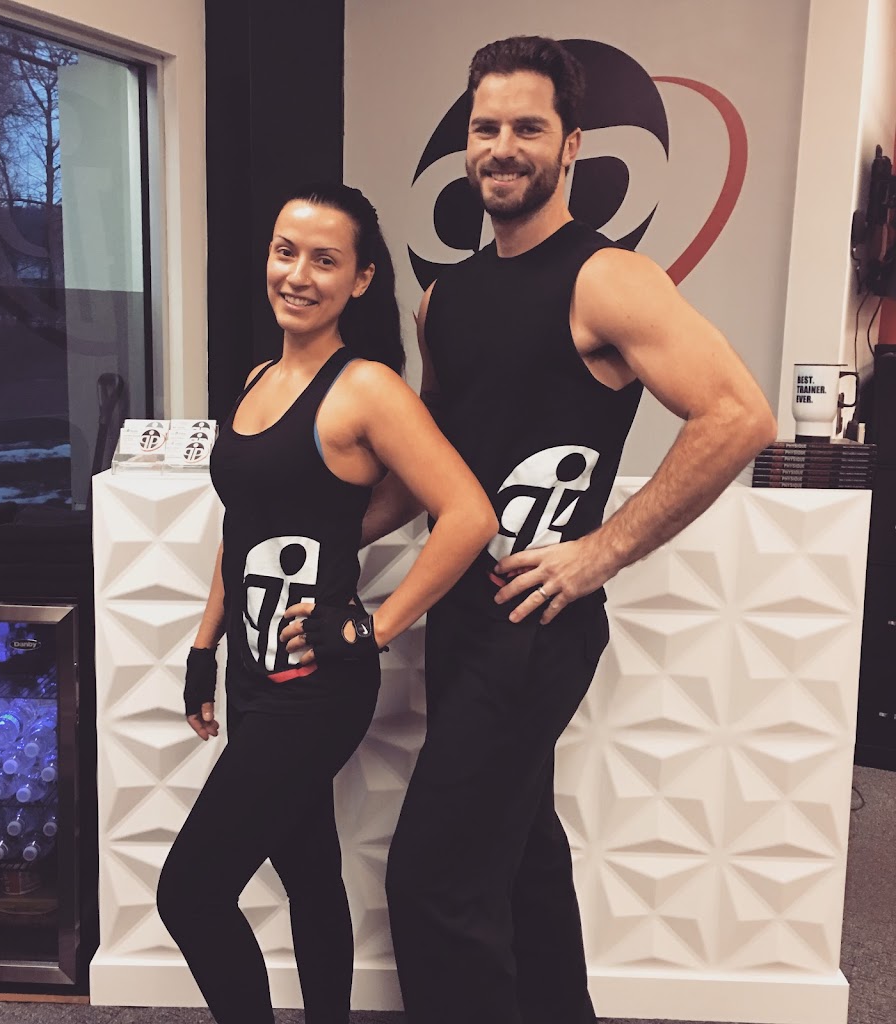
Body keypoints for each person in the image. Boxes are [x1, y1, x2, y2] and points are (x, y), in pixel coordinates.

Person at [369, 36, 778, 1024]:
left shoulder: (607, 279)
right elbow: (434, 464)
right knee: (519, 860)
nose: (502, 147)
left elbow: (738, 416)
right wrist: (326, 528)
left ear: (571, 144)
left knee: (434, 881)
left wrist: (600, 552)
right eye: (485, 127)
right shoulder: (444, 298)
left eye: (527, 127)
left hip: (536, 630)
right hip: (460, 615)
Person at [155, 182, 497, 1024]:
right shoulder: (257, 380)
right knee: (307, 871)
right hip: (250, 673)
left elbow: (468, 514)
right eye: (285, 251)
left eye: (324, 259)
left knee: (190, 892)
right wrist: (204, 644)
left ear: (360, 279)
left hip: (315, 686)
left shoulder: (369, 388)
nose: (297, 275)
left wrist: (374, 627)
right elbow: (245, 528)